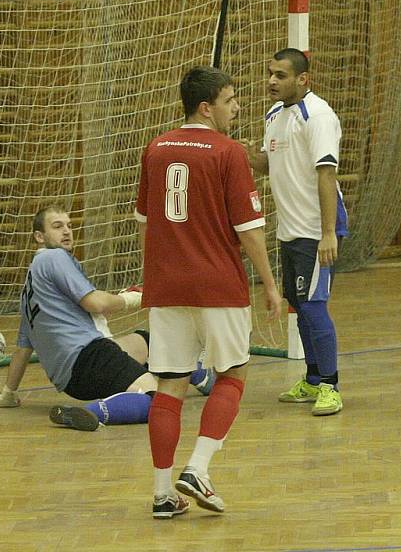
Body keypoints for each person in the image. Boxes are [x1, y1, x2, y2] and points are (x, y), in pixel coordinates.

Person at [135, 65, 283, 519]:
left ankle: (163, 494)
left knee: (170, 384)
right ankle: (198, 468)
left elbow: (145, 224)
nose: (237, 107)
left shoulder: (155, 149)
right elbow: (250, 231)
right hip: (217, 282)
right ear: (206, 106)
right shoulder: (228, 153)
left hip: (166, 285)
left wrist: (157, 276)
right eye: (230, 99)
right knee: (234, 373)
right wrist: (271, 286)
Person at [0, 205, 215, 431]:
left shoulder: (30, 286)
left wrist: (8, 393)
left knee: (148, 341)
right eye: (57, 226)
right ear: (39, 237)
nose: (67, 231)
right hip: (89, 358)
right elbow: (96, 303)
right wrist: (133, 298)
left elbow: (23, 349)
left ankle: (202, 378)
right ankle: (93, 413)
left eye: (69, 225)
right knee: (161, 403)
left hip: (74, 379)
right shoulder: (53, 258)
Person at [246, 48, 349, 417]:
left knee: (313, 306)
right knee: (299, 306)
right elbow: (265, 163)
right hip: (290, 230)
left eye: (281, 75)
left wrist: (327, 234)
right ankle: (312, 378)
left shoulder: (318, 116)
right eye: (270, 73)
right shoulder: (274, 114)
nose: (272, 81)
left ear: (302, 79)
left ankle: (331, 386)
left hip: (315, 229)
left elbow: (326, 174)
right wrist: (230, 148)